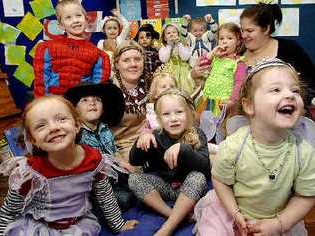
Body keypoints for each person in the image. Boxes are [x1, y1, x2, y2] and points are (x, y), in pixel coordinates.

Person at [193, 58, 315, 236]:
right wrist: (234, 213)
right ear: (249, 106)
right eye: (276, 90)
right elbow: (220, 181)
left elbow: (306, 195)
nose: (290, 95)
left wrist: (279, 224)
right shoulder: (235, 145)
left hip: (279, 218)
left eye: (295, 91)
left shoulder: (303, 152)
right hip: (231, 212)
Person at [0, 95, 138, 235]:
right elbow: (8, 212)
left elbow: (104, 196)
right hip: (40, 228)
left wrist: (118, 225)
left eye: (61, 119)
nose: (53, 128)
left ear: (77, 125)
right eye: (41, 125)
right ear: (33, 140)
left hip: (78, 226)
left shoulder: (94, 160)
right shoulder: (30, 173)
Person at [128, 89, 211, 236]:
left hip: (191, 192)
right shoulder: (156, 136)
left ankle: (168, 227)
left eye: (179, 112)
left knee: (198, 177)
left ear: (189, 114)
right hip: (166, 188)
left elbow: (205, 167)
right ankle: (175, 215)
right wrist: (140, 142)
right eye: (166, 114)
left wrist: (183, 148)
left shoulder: (197, 134)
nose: (173, 119)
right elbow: (134, 161)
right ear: (159, 119)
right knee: (134, 178)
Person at [63, 82, 137, 212]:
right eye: (84, 100)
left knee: (139, 180)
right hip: (93, 183)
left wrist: (124, 163)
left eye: (97, 99)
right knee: (124, 199)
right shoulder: (76, 135)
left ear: (103, 108)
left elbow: (114, 152)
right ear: (75, 110)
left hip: (114, 174)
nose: (92, 103)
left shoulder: (105, 128)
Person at [240, 2, 315, 107]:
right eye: (242, 30)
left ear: (266, 29)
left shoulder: (289, 50)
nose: (243, 35)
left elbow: (310, 86)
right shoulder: (238, 52)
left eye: (249, 31)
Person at [33, 0, 110, 97]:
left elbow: (97, 87)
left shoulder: (97, 54)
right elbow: (41, 80)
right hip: (55, 102)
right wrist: (44, 104)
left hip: (81, 104)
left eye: (78, 15)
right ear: (61, 25)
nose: (75, 20)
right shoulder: (48, 48)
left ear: (86, 19)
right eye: (68, 18)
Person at [110, 40, 151, 162]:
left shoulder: (150, 83)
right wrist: (119, 162)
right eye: (126, 60)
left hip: (150, 141)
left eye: (137, 59)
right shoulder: (108, 91)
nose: (133, 64)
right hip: (121, 150)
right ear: (117, 64)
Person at [197, 22, 247, 117]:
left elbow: (239, 84)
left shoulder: (239, 63)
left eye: (229, 38)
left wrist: (232, 101)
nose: (224, 41)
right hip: (207, 101)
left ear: (238, 42)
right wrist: (212, 53)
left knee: (222, 128)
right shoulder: (215, 58)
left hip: (225, 104)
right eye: (221, 38)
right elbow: (201, 64)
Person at [159, 23, 195, 95]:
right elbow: (164, 59)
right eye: (168, 33)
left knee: (186, 90)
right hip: (170, 71)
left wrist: (179, 44)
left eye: (174, 32)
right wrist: (170, 45)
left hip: (184, 72)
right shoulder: (164, 48)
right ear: (165, 38)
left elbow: (185, 57)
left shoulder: (183, 45)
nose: (171, 34)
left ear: (178, 34)